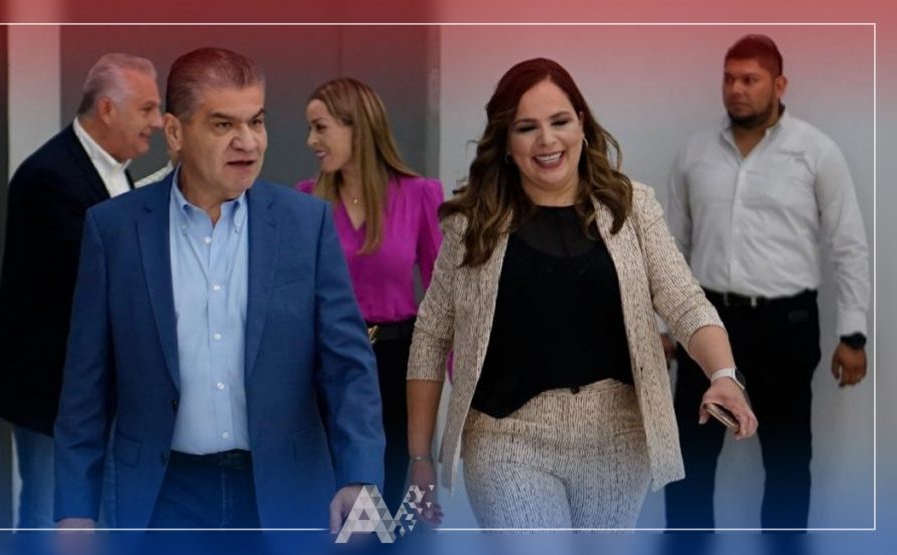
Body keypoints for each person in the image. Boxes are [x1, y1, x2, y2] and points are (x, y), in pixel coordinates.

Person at [406, 57, 757, 530]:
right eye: (526, 127)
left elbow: (685, 302)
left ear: (582, 125)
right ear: (505, 142)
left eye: (560, 121)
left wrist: (723, 374)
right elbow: (431, 336)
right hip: (506, 437)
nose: (547, 140)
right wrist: (419, 456)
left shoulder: (630, 206)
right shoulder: (473, 223)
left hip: (618, 435)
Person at [52, 47, 385, 530]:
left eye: (256, 121)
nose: (246, 142)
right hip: (163, 499)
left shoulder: (305, 224)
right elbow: (85, 387)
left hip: (284, 494)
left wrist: (360, 476)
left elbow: (348, 366)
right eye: (223, 124)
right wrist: (74, 511)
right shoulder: (115, 230)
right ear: (174, 132)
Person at [663, 34, 870, 531]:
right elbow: (669, 248)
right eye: (729, 79)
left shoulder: (816, 152)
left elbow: (848, 244)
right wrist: (664, 325)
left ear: (779, 85)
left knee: (787, 456)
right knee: (689, 454)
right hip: (706, 321)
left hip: (786, 323)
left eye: (750, 79)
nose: (736, 89)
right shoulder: (695, 153)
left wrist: (853, 334)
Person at [0, 53, 162, 528]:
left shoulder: (114, 171)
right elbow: (100, 273)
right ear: (107, 109)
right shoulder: (49, 177)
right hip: (51, 393)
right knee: (51, 517)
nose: (158, 123)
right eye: (147, 109)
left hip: (99, 395)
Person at [297, 77, 443, 510]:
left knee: (385, 505)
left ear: (356, 127)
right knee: (330, 505)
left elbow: (444, 304)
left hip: (397, 368)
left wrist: (464, 399)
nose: (311, 141)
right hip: (329, 366)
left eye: (320, 127)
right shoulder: (307, 200)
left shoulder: (419, 195)